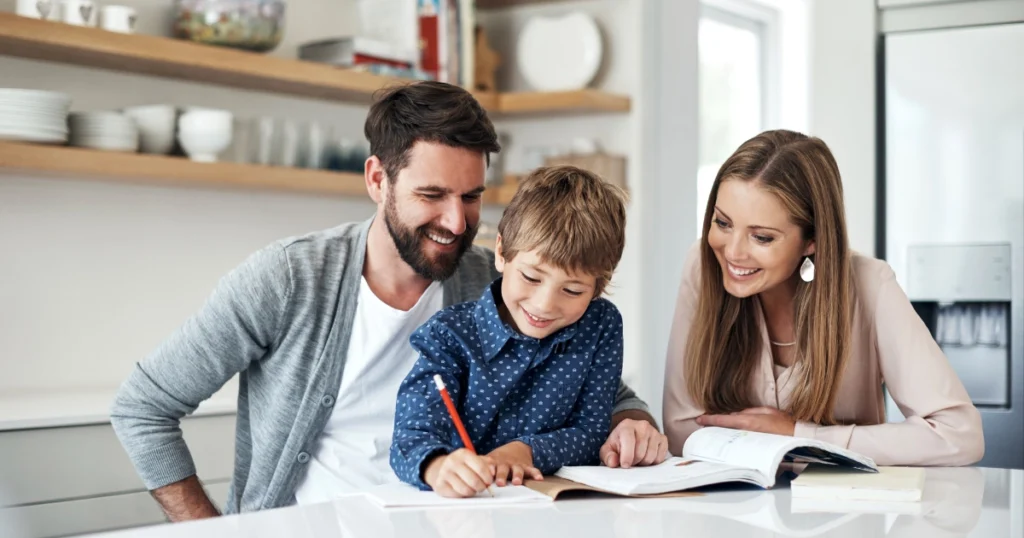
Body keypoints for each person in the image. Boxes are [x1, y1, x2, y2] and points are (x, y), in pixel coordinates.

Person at [110, 81, 667, 522]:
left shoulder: (495, 280)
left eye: (471, 197)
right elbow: (142, 408)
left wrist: (632, 419)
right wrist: (213, 532)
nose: (456, 222)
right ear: (378, 179)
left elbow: (587, 378)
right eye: (432, 195)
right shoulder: (289, 279)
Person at [662, 129, 984, 466]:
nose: (733, 251)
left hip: (843, 513)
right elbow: (682, 429)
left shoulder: (870, 287)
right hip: (728, 510)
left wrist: (800, 437)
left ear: (811, 240)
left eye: (761, 237)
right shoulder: (702, 267)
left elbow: (959, 435)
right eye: (723, 223)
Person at [390, 166, 631, 497]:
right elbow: (410, 436)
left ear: (598, 287)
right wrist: (437, 467)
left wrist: (525, 451)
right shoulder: (448, 336)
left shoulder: (600, 325)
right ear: (501, 253)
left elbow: (591, 433)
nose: (545, 305)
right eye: (532, 278)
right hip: (461, 513)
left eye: (573, 290)